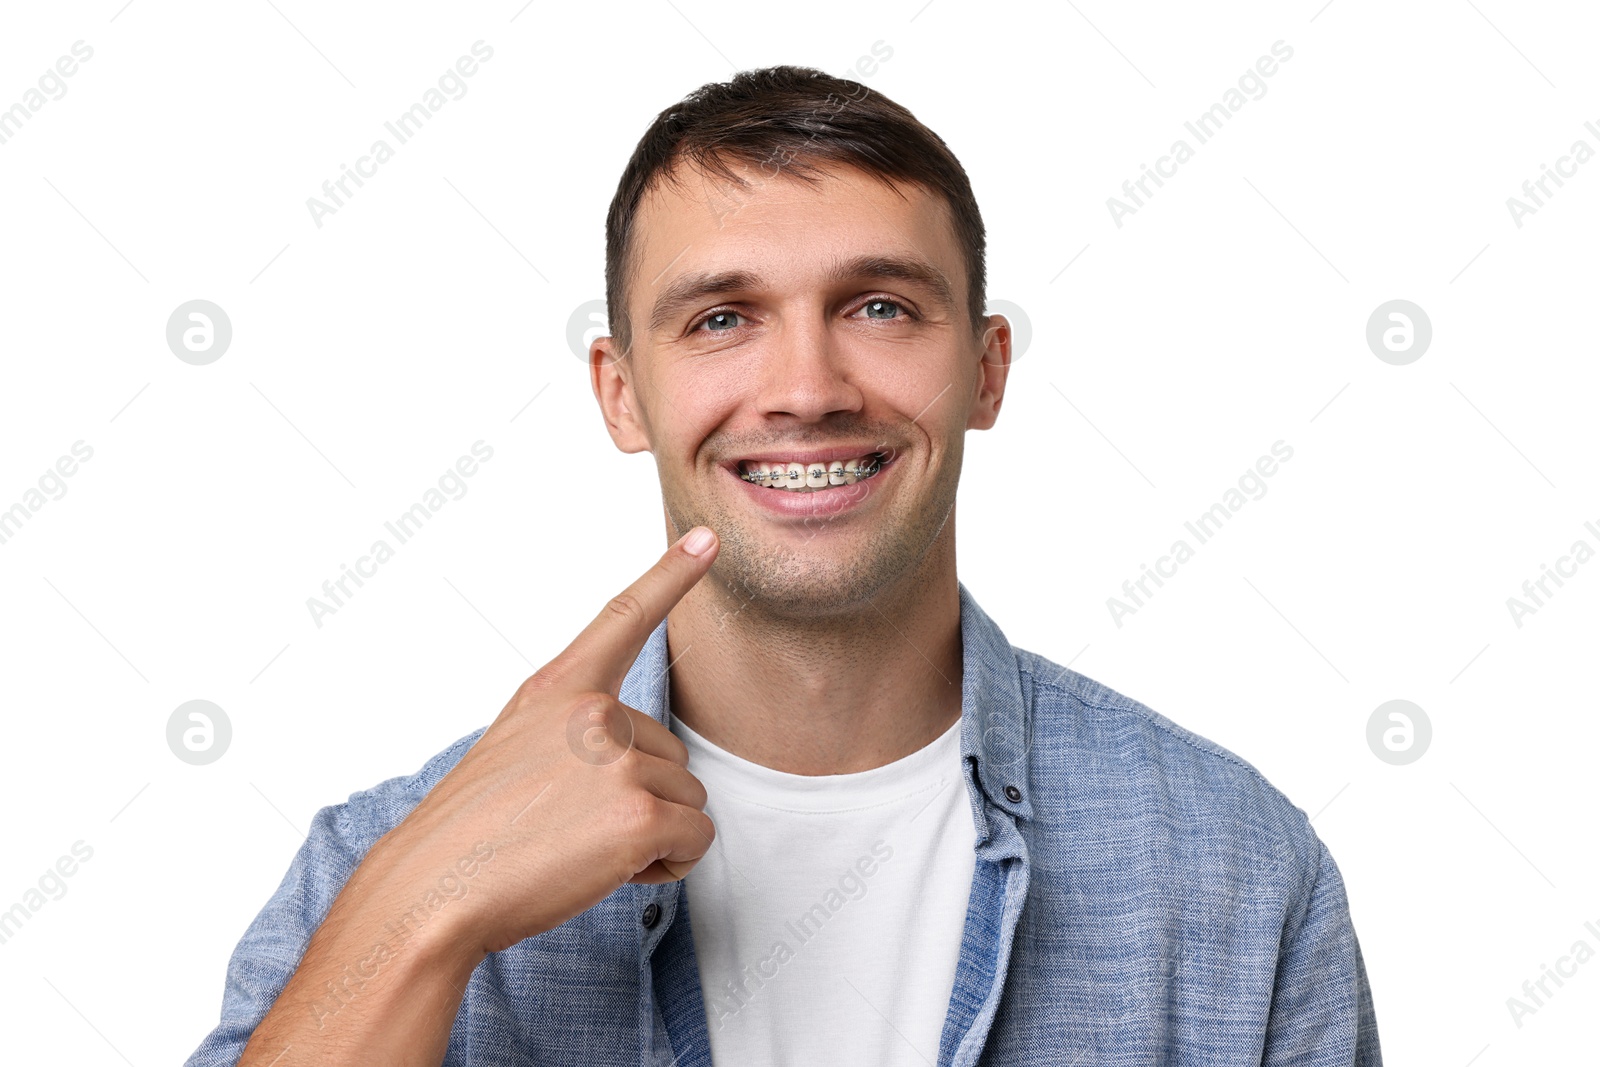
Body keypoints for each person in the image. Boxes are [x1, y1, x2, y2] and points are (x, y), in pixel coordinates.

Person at [188, 65, 1382, 1066]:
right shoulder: (384, 857)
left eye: (878, 307)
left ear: (985, 368)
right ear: (621, 393)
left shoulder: (1233, 865)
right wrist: (421, 910)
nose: (807, 389)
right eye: (720, 317)